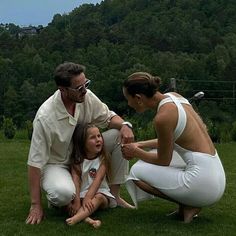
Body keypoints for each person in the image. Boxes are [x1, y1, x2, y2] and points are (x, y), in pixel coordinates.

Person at [25, 62, 134, 225]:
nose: (85, 90)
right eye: (79, 88)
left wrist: (125, 125)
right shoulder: (45, 117)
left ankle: (115, 195)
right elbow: (35, 162)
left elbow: (108, 117)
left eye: (86, 84)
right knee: (62, 194)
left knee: (120, 135)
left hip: (84, 155)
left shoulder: (86, 96)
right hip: (58, 163)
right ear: (62, 89)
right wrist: (35, 205)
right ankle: (60, 198)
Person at [121, 72, 226, 223]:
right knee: (150, 156)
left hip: (203, 184)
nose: (128, 104)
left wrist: (135, 151)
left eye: (128, 99)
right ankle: (188, 203)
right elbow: (171, 139)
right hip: (215, 175)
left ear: (138, 98)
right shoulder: (175, 97)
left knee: (136, 172)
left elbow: (163, 160)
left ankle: (189, 203)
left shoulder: (162, 118)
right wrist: (140, 144)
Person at [66, 123, 116, 228]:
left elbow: (98, 179)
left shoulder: (103, 159)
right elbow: (76, 181)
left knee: (98, 198)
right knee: (69, 203)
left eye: (99, 136)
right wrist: (77, 201)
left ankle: (76, 218)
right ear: (83, 143)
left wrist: (88, 198)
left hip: (100, 192)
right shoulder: (77, 161)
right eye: (93, 138)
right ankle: (89, 220)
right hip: (83, 193)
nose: (98, 139)